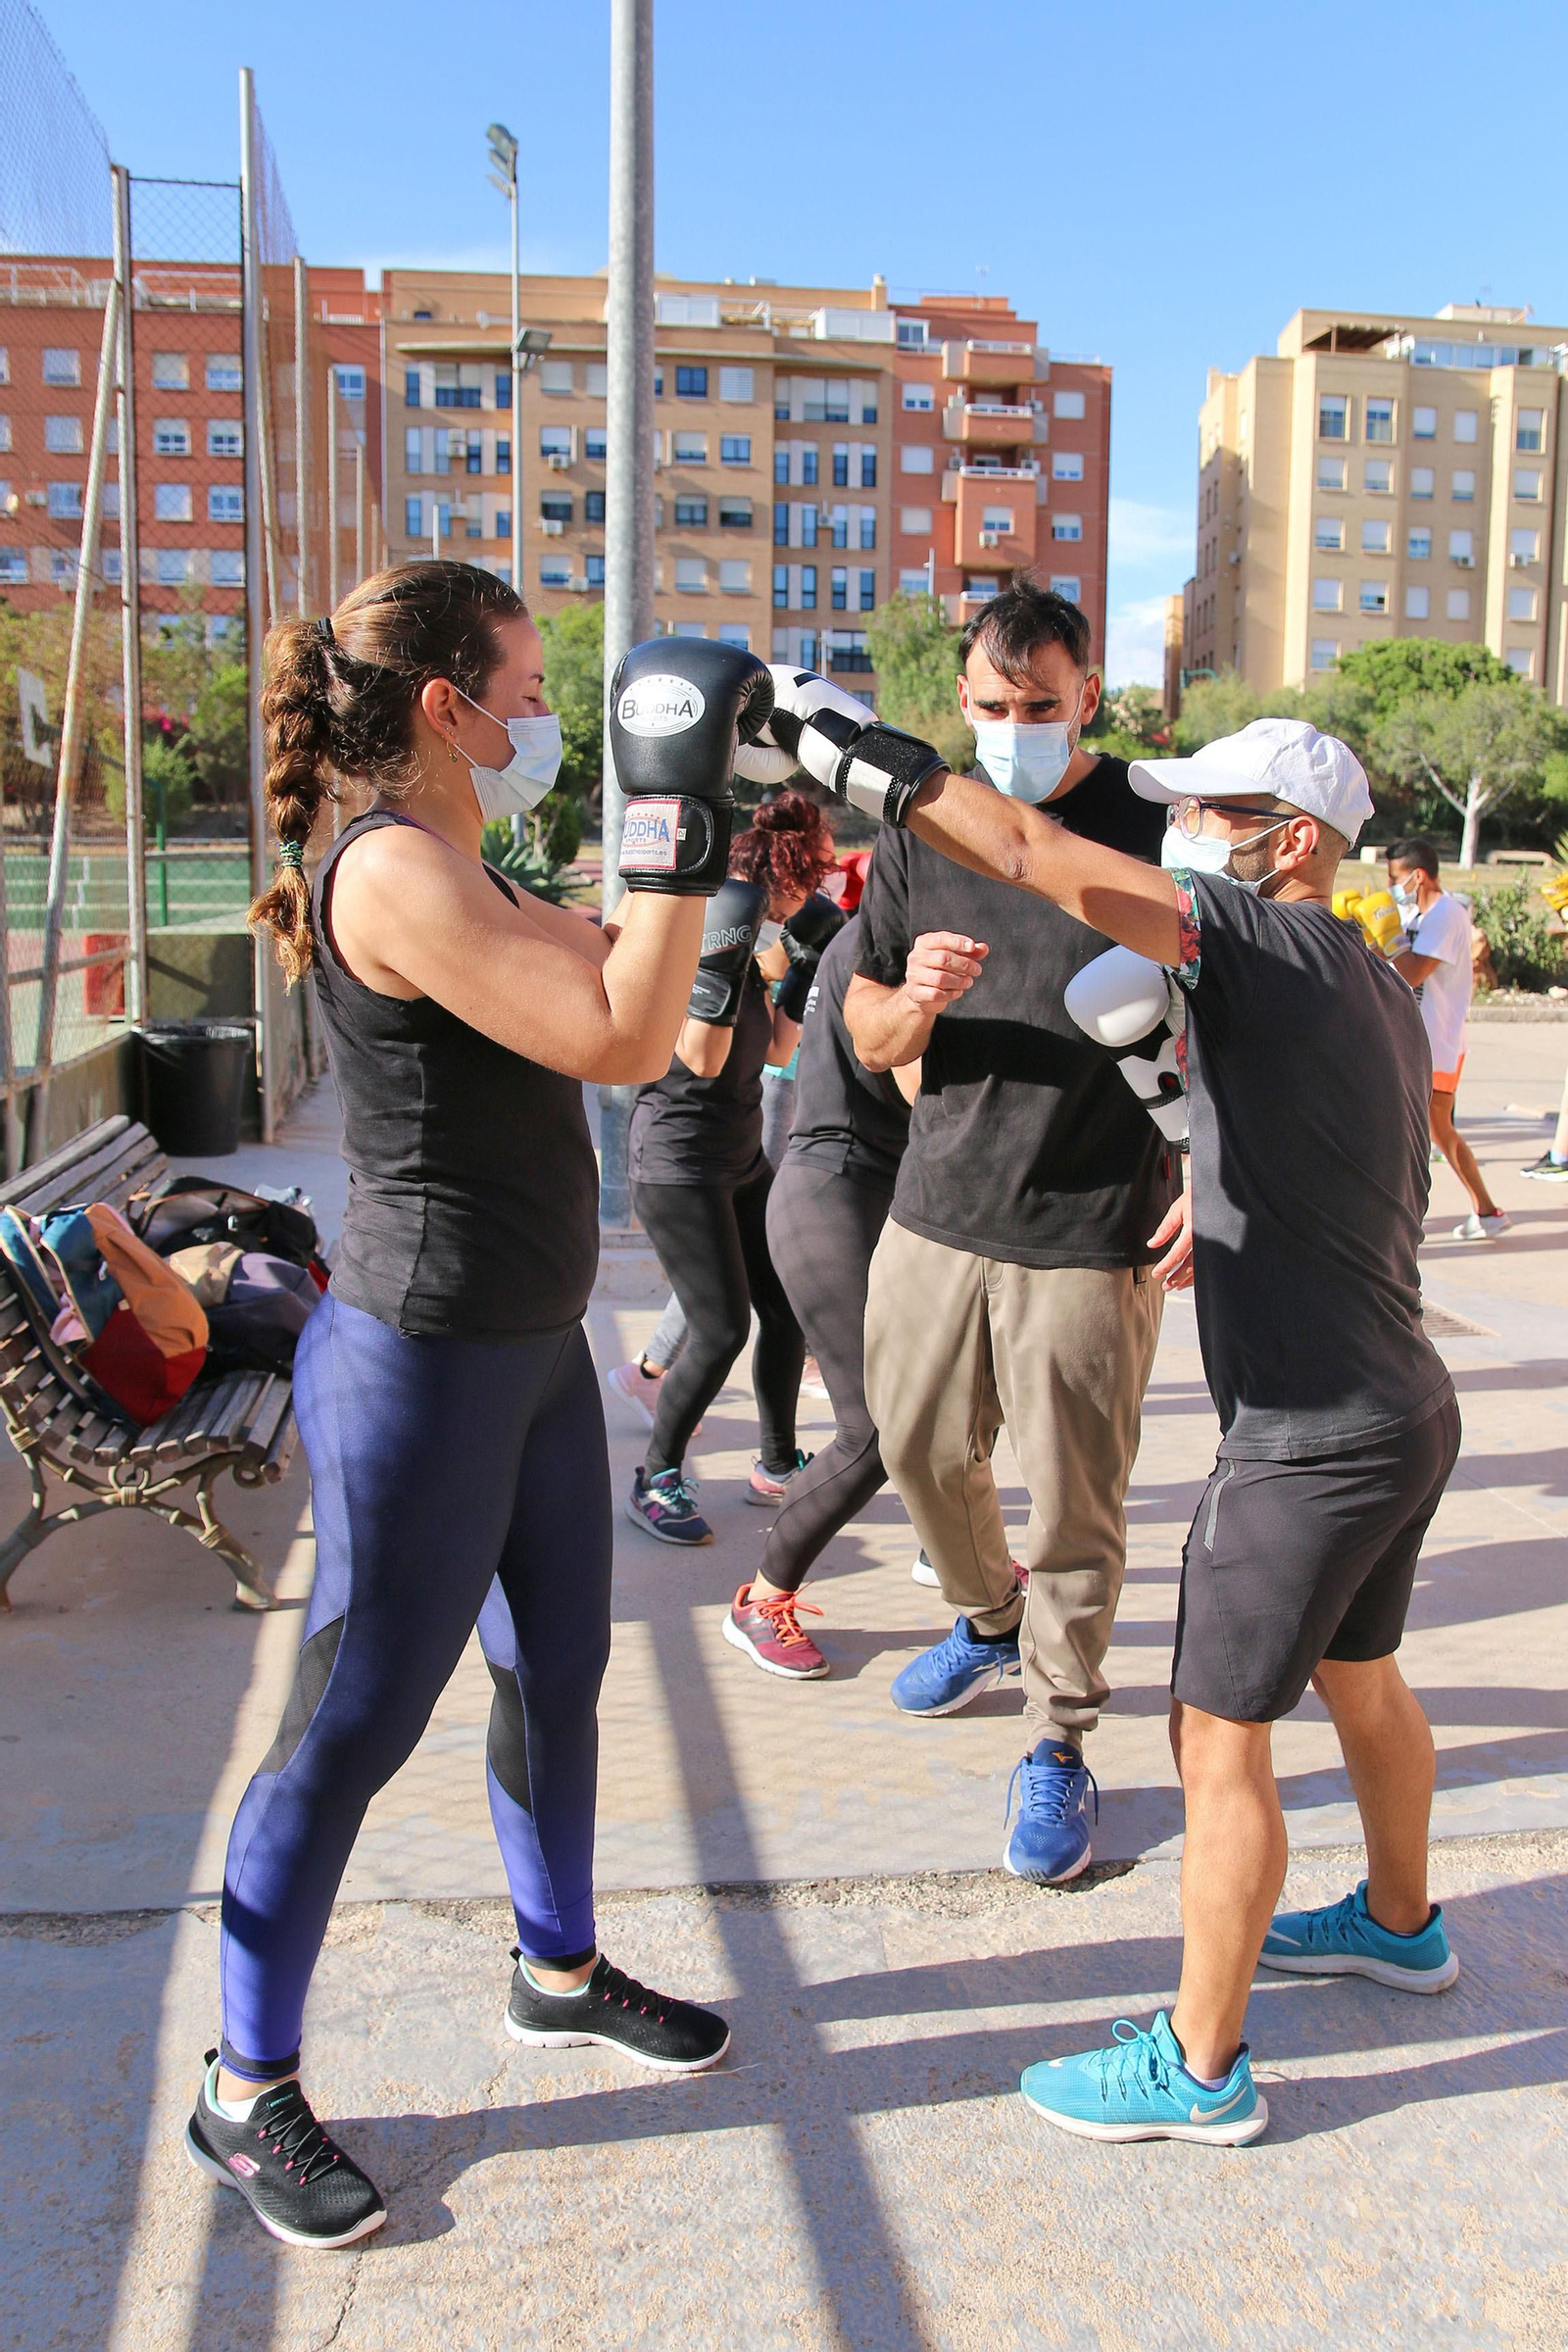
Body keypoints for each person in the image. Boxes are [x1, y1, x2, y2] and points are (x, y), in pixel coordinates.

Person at [738, 679, 1461, 2147]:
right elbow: (1377, 1163)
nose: (1184, 828)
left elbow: (1027, 851)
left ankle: (1200, 2068)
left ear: (1297, 843)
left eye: (1214, 813)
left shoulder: (1255, 938)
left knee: (1215, 1739)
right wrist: (1209, 1150)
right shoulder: (1368, 984)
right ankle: (1400, 1923)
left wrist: (845, 752)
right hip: (1404, 1407)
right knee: (1366, 1685)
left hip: (1309, 1436)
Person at [185, 571, 767, 2247]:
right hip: (418, 1360)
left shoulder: (473, 865)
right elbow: (615, 1033)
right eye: (521, 684)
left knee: (559, 1676)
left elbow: (662, 1019)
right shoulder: (388, 875)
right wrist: (672, 813)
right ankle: (243, 2089)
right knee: (350, 1728)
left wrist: (721, 879)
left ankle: (557, 1967)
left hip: (531, 1349)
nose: (539, 718)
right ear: (448, 700)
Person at [841, 580, 1190, 1886]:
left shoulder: (1152, 820)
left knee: (1080, 1510)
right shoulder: (920, 829)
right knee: (921, 1453)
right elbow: (870, 1040)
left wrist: (1217, 1171)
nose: (1011, 730)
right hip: (935, 1211)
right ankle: (989, 1618)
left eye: (1038, 706)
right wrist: (914, 1005)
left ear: (1087, 696)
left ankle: (1057, 1739)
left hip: (1094, 1228)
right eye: (988, 708)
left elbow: (1244, 1019)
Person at [625, 792, 836, 1545]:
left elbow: (778, 1052)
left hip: (739, 1158)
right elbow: (702, 1056)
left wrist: (801, 967)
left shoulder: (749, 960)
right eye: (793, 900)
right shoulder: (702, 951)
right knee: (719, 1328)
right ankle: (656, 1476)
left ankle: (776, 1462)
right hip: (677, 1164)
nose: (794, 915)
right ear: (765, 893)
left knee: (785, 1310)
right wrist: (724, 955)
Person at [721, 907, 914, 1678]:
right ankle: (763, 1598)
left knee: (944, 1400)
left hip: (879, 1195)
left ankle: (977, 1577)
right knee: (873, 1429)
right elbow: (922, 1082)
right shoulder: (889, 944)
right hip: (830, 1191)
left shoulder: (895, 933)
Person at [1386, 838, 1509, 1243]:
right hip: (1427, 1040)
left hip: (1436, 1042)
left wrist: (1381, 937)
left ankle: (1406, 1221)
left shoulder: (1445, 915)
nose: (1393, 886)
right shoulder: (1427, 915)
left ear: (1417, 875)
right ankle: (1486, 1210)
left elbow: (1413, 972)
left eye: (1396, 878)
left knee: (1423, 1131)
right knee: (1436, 1131)